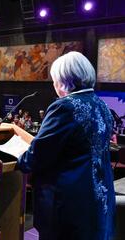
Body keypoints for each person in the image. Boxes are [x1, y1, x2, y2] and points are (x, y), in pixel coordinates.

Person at [17, 51, 115, 240]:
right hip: (98, 200)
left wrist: (20, 158)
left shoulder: (64, 107)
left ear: (62, 80)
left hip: (68, 205)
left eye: (54, 79)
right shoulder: (101, 105)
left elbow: (37, 155)